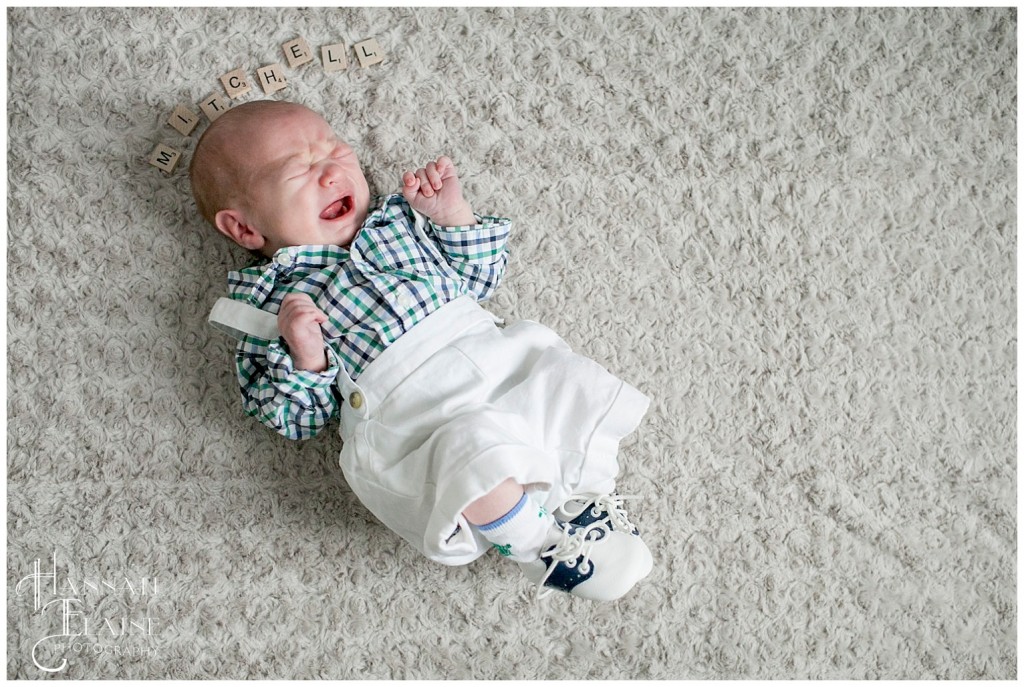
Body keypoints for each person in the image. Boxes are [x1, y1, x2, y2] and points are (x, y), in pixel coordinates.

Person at [191, 99, 653, 601]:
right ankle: (541, 546)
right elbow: (295, 419)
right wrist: (306, 355)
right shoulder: (268, 302)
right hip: (416, 415)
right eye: (298, 171)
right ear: (244, 229)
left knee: (564, 384)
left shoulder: (398, 222)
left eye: (336, 152)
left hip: (491, 359)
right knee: (472, 456)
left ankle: (580, 498)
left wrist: (452, 214)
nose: (329, 173)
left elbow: (479, 278)